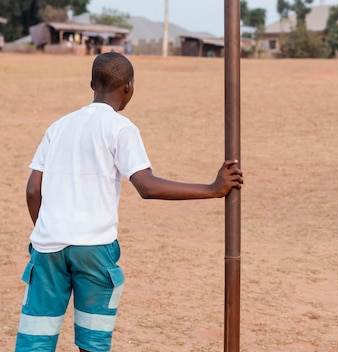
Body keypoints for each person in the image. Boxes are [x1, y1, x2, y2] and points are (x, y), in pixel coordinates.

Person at [15, 52, 244, 352]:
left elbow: (33, 190)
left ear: (91, 84)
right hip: (94, 248)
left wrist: (49, 229)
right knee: (92, 341)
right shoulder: (120, 128)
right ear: (128, 87)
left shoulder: (58, 127)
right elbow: (146, 186)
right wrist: (213, 189)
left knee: (36, 340)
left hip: (47, 248)